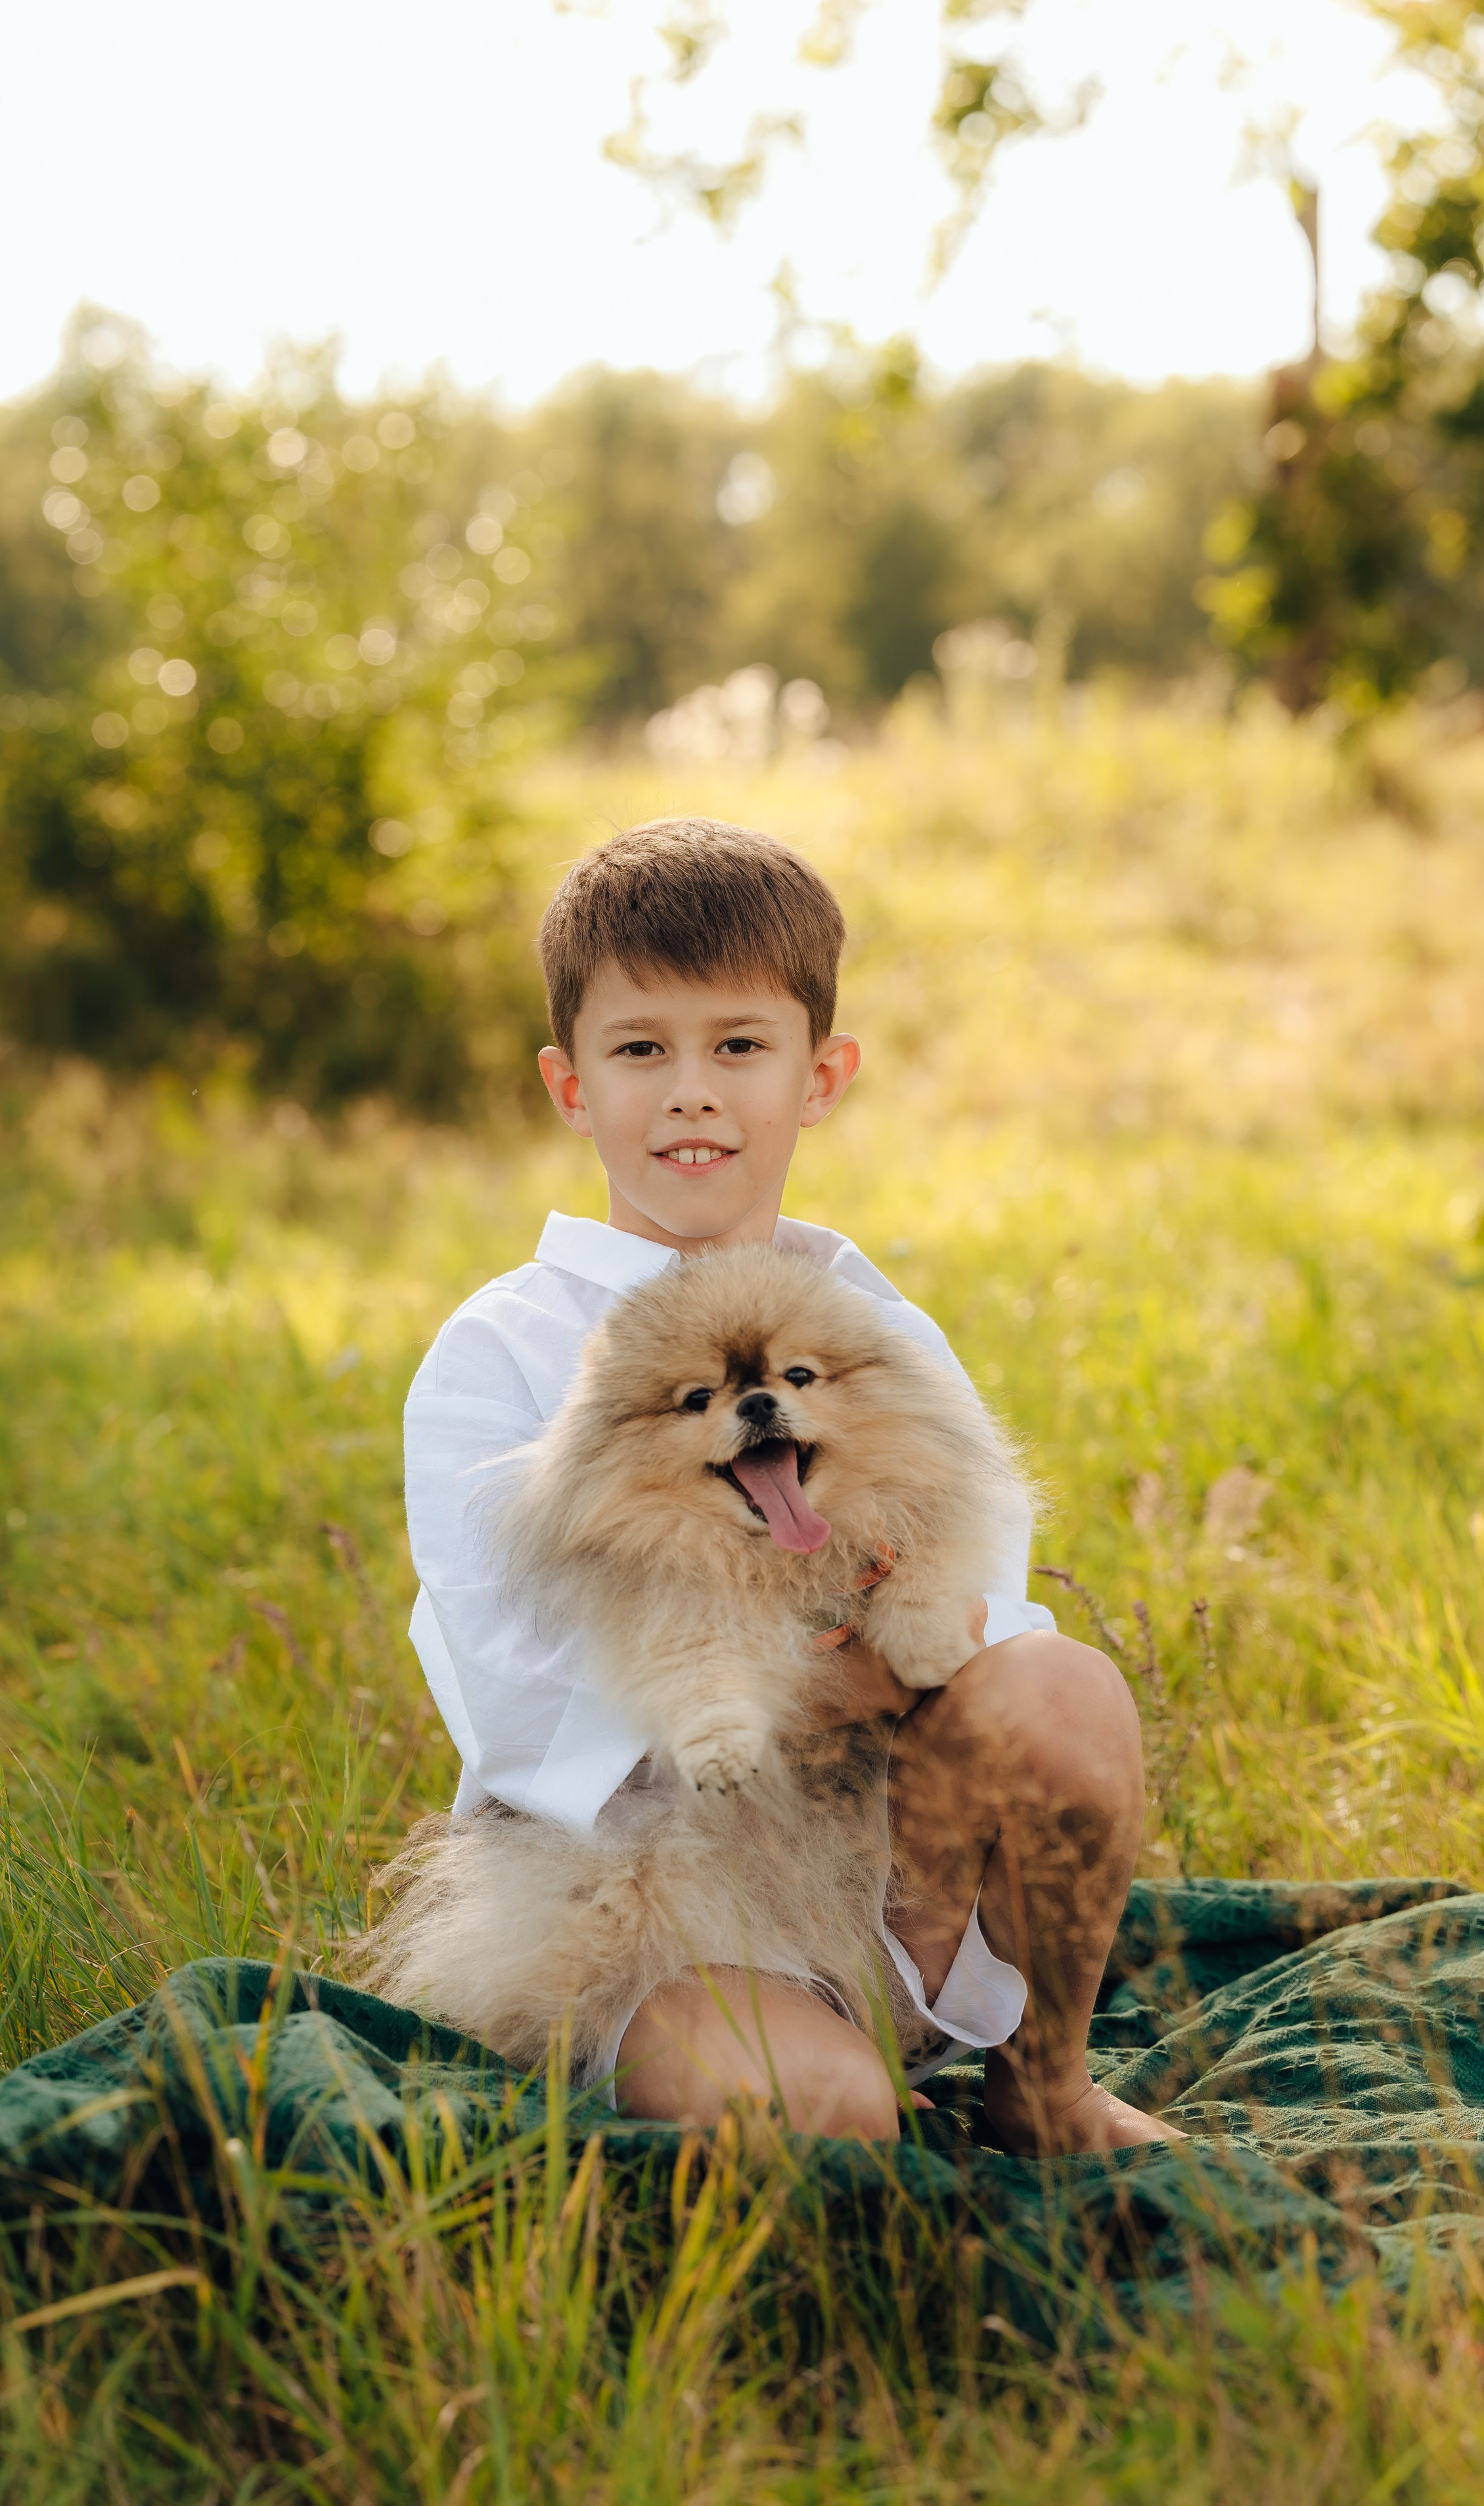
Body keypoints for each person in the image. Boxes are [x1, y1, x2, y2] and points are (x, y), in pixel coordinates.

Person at [404, 816, 1179, 2153]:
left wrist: (917, 1654)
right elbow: (510, 1678)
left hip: (892, 1870)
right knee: (824, 2117)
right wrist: (798, 1675)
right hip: (656, 1900)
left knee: (1061, 1687)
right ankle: (779, 2057)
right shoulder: (500, 1351)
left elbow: (972, 1606)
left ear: (819, 1077)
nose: (691, 1092)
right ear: (570, 1084)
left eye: (738, 1047)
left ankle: (1040, 2083)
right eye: (641, 1048)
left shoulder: (878, 1329)